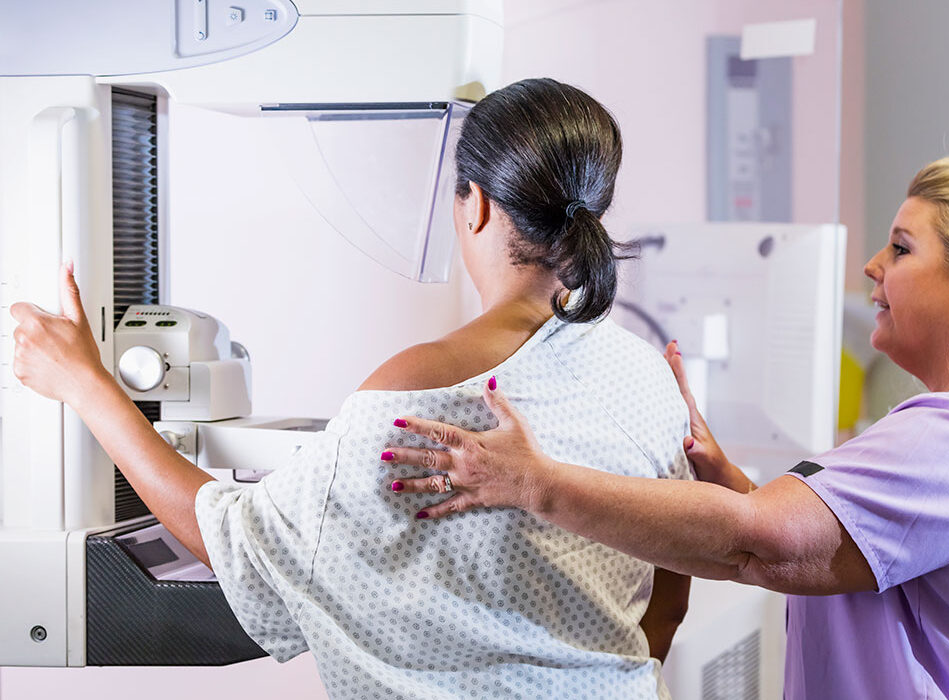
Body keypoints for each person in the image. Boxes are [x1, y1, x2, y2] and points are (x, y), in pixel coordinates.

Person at [10, 78, 693, 698]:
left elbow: (235, 543)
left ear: (475, 207)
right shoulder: (648, 381)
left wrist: (87, 385)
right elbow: (669, 599)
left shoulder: (415, 390)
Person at [385, 147, 949, 699]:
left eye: (903, 249)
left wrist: (532, 483)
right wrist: (734, 484)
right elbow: (843, 555)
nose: (874, 266)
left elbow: (761, 547)